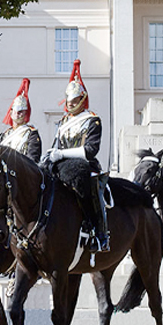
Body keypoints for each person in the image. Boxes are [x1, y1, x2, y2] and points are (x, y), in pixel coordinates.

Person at [43, 59, 109, 252]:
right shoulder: (63, 121)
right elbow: (56, 145)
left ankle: (98, 231)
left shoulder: (92, 120)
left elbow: (90, 150)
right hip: (61, 163)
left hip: (84, 164)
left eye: (74, 100)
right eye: (69, 100)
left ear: (82, 99)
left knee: (84, 182)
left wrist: (61, 154)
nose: (71, 103)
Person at [0, 78, 42, 162]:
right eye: (15, 111)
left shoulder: (31, 133)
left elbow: (33, 158)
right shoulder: (4, 135)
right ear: (11, 113)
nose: (17, 114)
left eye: (21, 112)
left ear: (25, 114)